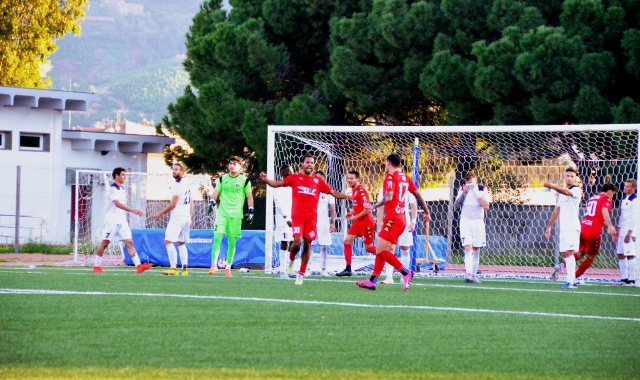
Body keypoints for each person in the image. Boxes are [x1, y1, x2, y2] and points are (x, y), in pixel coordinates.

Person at [260, 154, 349, 285]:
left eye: (312, 162)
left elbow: (333, 192)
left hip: (312, 218)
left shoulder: (318, 181)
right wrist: (266, 179)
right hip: (297, 217)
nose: (310, 165)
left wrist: (348, 197)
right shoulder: (295, 178)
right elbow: (276, 184)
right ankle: (291, 260)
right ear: (302, 164)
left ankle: (301, 274)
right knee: (297, 242)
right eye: (307, 162)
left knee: (308, 244)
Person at [359, 153, 431, 291]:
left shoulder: (390, 177)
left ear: (388, 163)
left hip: (393, 219)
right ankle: (373, 280)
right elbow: (419, 197)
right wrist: (427, 213)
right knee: (382, 249)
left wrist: (373, 206)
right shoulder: (407, 178)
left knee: (379, 249)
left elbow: (389, 196)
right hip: (402, 218)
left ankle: (406, 272)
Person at [93, 167, 152, 274]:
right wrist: (133, 210)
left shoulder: (122, 189)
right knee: (105, 243)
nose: (125, 177)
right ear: (117, 176)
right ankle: (96, 266)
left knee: (129, 242)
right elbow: (117, 204)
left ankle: (139, 266)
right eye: (123, 175)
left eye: (125, 174)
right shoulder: (112, 189)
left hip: (121, 221)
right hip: (111, 221)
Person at [207, 156, 254, 278]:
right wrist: (212, 201)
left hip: (236, 216)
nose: (232, 165)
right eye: (230, 163)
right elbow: (216, 192)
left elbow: (249, 197)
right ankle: (213, 265)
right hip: (222, 214)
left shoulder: (245, 180)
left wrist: (251, 211)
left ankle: (228, 268)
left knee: (232, 242)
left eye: (234, 164)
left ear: (240, 166)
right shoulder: (222, 179)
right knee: (217, 237)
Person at [544, 167, 582, 289]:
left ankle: (570, 282)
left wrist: (552, 186)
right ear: (564, 177)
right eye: (567, 176)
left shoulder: (576, 190)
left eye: (572, 176)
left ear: (575, 178)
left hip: (572, 227)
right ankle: (573, 281)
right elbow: (557, 210)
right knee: (566, 254)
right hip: (564, 228)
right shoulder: (562, 193)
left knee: (569, 253)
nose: (569, 178)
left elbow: (567, 192)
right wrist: (549, 226)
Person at [153, 162, 193, 276]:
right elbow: (191, 201)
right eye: (173, 169)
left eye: (177, 169)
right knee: (181, 243)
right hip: (185, 216)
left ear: (182, 171)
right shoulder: (187, 183)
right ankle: (185, 269)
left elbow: (174, 204)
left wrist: (160, 213)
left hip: (178, 216)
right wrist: (190, 217)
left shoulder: (177, 184)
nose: (174, 171)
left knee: (168, 242)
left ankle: (173, 268)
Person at [337, 171, 377, 277]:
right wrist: (352, 212)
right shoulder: (353, 190)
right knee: (346, 242)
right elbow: (358, 206)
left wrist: (355, 217)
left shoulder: (361, 191)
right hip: (358, 222)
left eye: (352, 178)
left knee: (368, 248)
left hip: (366, 223)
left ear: (357, 179)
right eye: (348, 178)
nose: (349, 180)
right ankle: (348, 268)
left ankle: (388, 255)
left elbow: (368, 209)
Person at [453, 171, 491, 283]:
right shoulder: (462, 189)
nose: (470, 185)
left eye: (472, 183)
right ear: (465, 182)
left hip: (478, 222)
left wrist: (476, 191)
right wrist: (464, 193)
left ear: (475, 181)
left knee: (476, 249)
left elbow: (486, 206)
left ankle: (474, 275)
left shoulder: (482, 189)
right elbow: (456, 206)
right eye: (468, 183)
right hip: (465, 221)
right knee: (467, 248)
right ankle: (468, 275)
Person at [379, 188, 418, 285]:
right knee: (388, 249)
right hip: (390, 222)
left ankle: (404, 276)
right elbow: (380, 207)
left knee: (404, 249)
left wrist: (413, 222)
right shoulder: (383, 188)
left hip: (404, 222)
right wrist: (379, 225)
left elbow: (413, 205)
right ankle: (389, 277)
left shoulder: (406, 187)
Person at [310, 170, 336, 277]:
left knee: (323, 247)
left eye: (320, 178)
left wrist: (333, 223)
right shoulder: (310, 191)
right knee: (309, 246)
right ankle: (307, 269)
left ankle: (323, 270)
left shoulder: (329, 193)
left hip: (323, 224)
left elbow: (332, 209)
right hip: (311, 223)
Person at [274, 164, 294, 279]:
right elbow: (278, 203)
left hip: (295, 218)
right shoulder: (279, 186)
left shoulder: (294, 186)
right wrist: (286, 218)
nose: (288, 173)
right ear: (282, 173)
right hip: (284, 220)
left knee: (294, 244)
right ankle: (282, 271)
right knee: (285, 242)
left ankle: (290, 270)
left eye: (290, 171)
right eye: (286, 172)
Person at [616, 179, 637, 286]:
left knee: (630, 254)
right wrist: (618, 230)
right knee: (620, 253)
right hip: (622, 229)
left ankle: (632, 280)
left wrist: (630, 233)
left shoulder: (635, 200)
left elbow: (634, 217)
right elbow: (622, 216)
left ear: (634, 188)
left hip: (629, 230)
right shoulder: (624, 198)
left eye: (628, 186)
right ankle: (624, 278)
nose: (625, 188)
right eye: (625, 186)